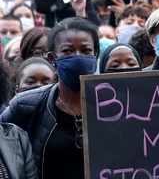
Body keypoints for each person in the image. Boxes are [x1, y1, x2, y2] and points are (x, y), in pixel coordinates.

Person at [1, 17, 99, 178]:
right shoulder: (26, 105)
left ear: (95, 54)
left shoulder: (117, 103)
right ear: (52, 58)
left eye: (86, 50)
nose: (78, 56)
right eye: (68, 51)